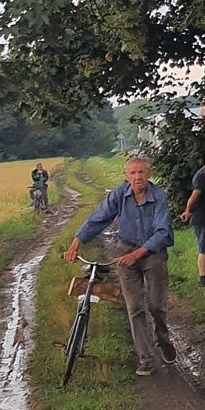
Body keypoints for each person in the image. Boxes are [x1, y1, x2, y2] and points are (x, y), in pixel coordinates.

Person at [64, 156, 175, 376]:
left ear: (149, 174)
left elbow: (163, 233)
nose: (137, 178)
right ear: (126, 176)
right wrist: (75, 244)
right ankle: (146, 358)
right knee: (135, 308)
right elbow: (98, 219)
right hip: (125, 254)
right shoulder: (118, 195)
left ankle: (163, 341)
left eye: (141, 172)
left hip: (152, 255)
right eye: (132, 173)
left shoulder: (159, 197)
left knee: (156, 306)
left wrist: (138, 254)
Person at [178, 147, 205, 287]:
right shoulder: (203, 175)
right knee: (204, 248)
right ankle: (203, 280)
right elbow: (195, 195)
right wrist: (188, 211)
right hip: (203, 219)